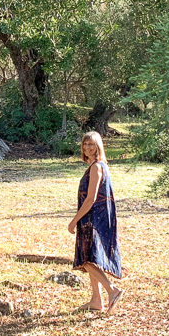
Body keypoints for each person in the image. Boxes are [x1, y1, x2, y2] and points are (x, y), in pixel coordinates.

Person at [67, 131, 124, 314]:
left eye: (91, 144)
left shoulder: (96, 167)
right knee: (91, 259)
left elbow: (91, 199)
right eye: (85, 144)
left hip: (93, 219)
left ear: (98, 146)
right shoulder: (98, 166)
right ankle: (96, 300)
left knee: (87, 260)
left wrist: (74, 220)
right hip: (96, 218)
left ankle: (112, 290)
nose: (87, 148)